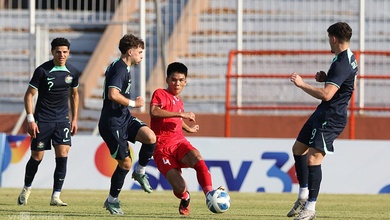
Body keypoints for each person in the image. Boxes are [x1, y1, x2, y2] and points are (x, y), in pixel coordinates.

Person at [287, 22, 358, 220]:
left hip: (332, 117)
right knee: (298, 149)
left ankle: (310, 208)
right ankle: (302, 196)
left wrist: (302, 84)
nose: (328, 41)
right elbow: (345, 84)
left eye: (329, 38)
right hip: (323, 113)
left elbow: (327, 95)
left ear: (334, 38)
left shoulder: (342, 62)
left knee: (313, 158)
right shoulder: (346, 58)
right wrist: (327, 77)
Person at [150, 62, 224, 216]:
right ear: (167, 79)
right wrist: (181, 114)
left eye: (181, 80)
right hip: (162, 149)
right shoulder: (160, 93)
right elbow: (155, 112)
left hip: (179, 142)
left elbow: (176, 120)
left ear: (186, 81)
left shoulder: (179, 101)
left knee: (199, 160)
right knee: (179, 187)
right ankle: (185, 197)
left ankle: (210, 195)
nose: (177, 83)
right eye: (173, 79)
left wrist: (187, 128)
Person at [18, 37, 80, 206]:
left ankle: (56, 196)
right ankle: (26, 188)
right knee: (37, 157)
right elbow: (29, 95)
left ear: (69, 52)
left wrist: (74, 119)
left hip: (62, 120)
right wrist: (31, 119)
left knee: (63, 155)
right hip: (43, 120)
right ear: (52, 52)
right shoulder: (42, 71)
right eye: (58, 52)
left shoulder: (73, 72)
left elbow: (74, 95)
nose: (62, 55)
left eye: (65, 52)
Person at [98, 34, 156, 215]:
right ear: (130, 52)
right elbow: (113, 95)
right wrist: (134, 104)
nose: (141, 55)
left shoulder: (122, 66)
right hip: (112, 123)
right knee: (125, 163)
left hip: (124, 117)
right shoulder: (120, 69)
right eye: (139, 52)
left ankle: (140, 172)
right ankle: (112, 200)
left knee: (150, 137)